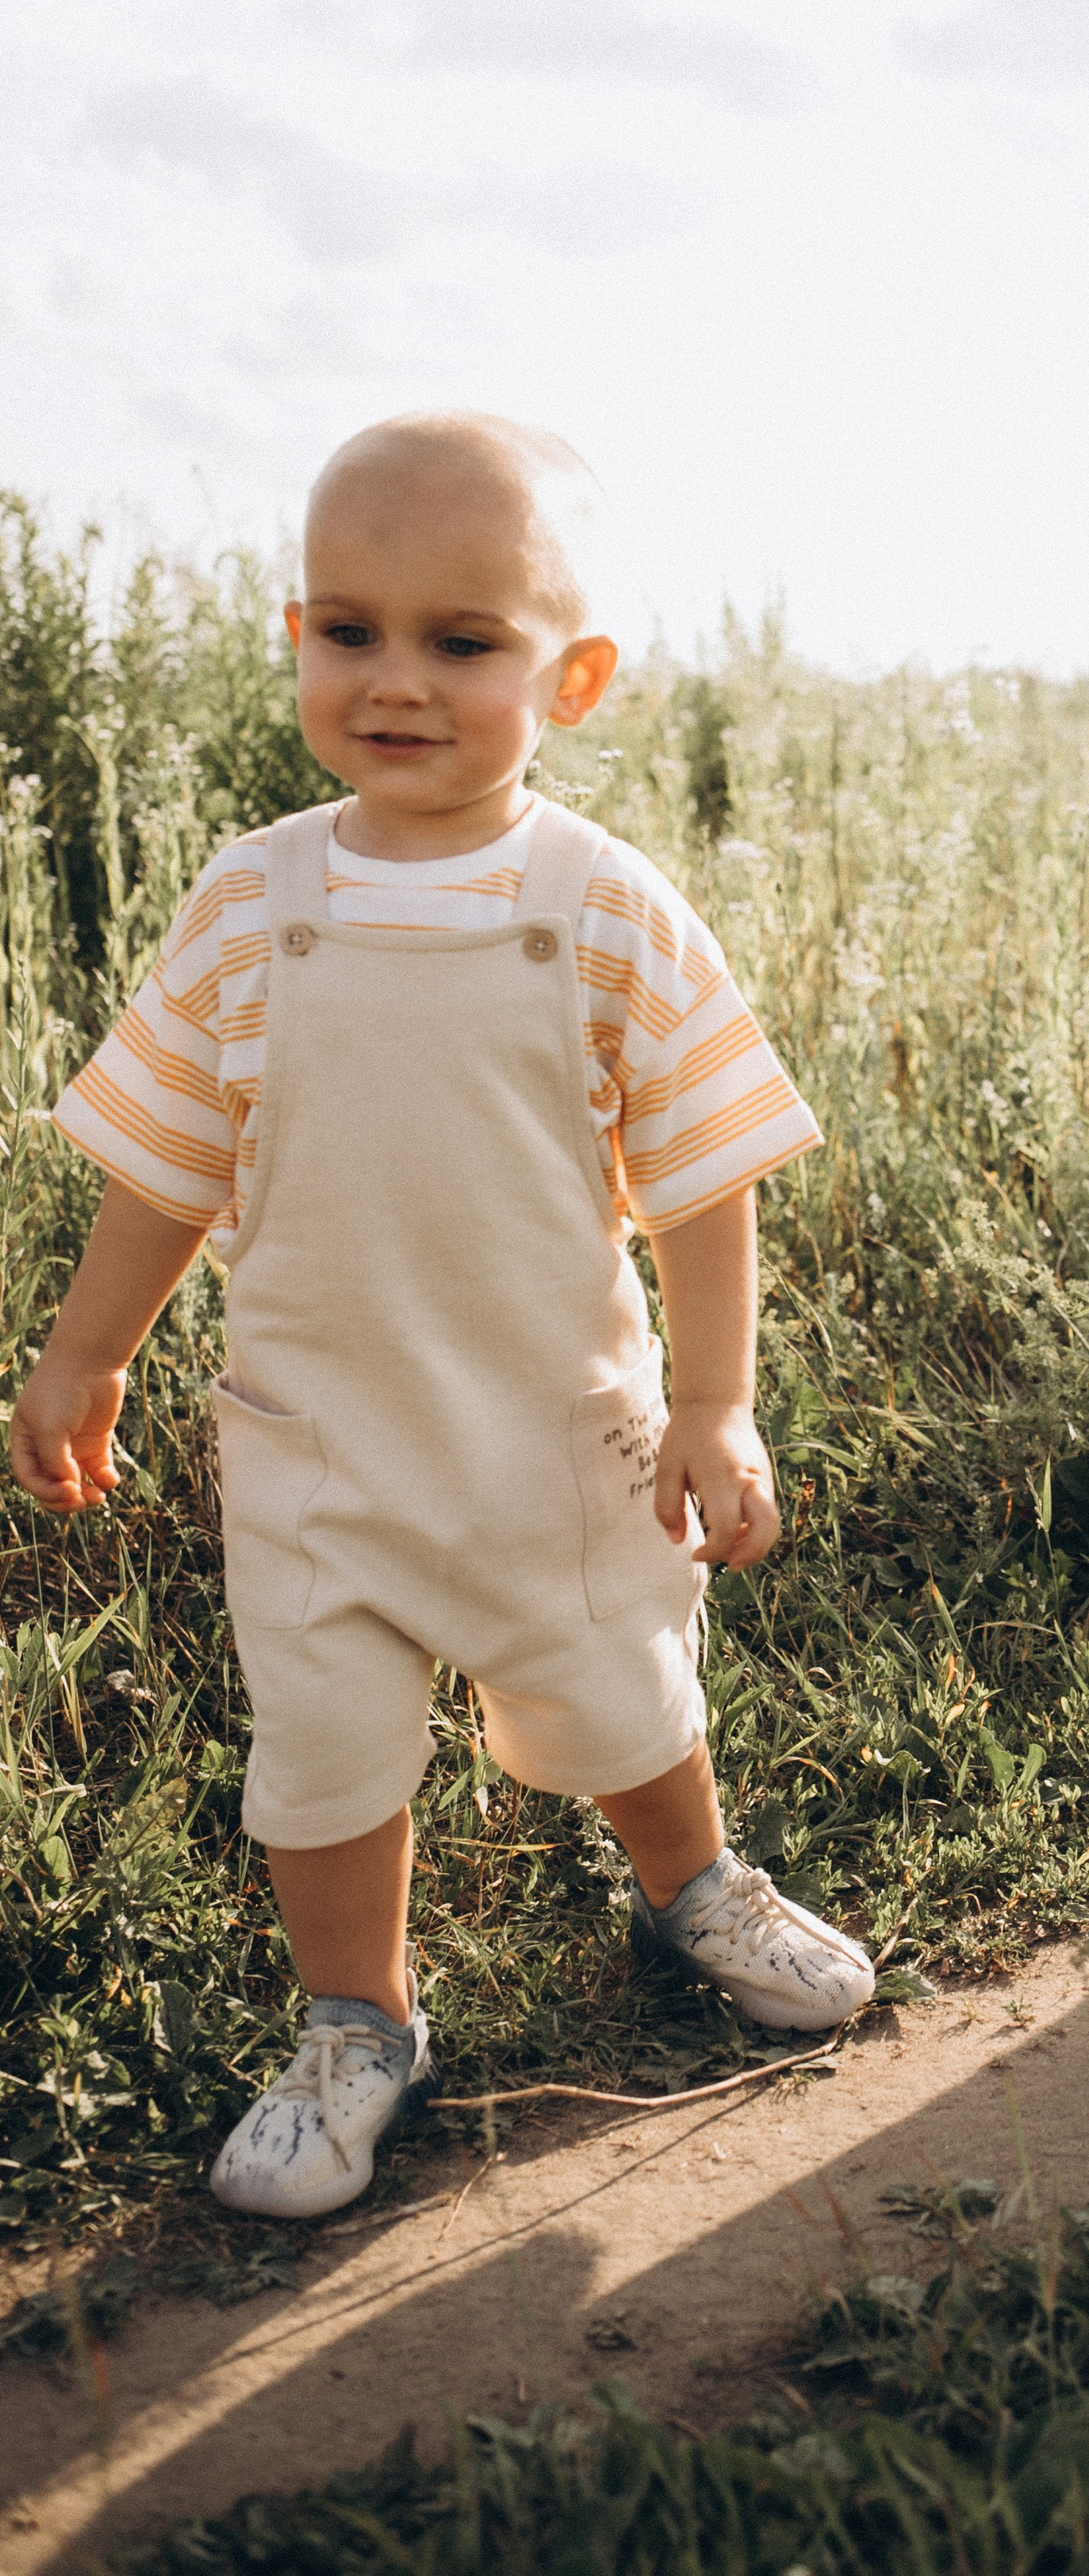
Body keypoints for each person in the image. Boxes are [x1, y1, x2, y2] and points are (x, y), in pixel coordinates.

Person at [10, 410, 874, 2219]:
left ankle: (692, 1886)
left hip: (553, 1427)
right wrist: (88, 1349)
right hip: (318, 1445)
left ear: (574, 674)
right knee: (320, 1757)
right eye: (348, 629)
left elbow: (708, 1170)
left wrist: (714, 1405)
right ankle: (356, 2022)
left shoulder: (601, 906)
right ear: (297, 637)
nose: (393, 681)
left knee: (623, 1693)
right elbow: (170, 1162)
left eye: (460, 642)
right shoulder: (256, 902)